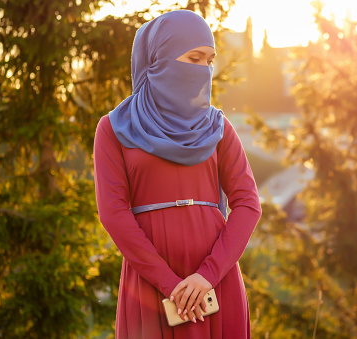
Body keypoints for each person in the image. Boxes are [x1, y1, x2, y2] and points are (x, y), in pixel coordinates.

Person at [93, 9, 262, 338]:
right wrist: (171, 285)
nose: (204, 70)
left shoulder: (219, 127)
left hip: (215, 283)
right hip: (150, 286)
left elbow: (248, 204)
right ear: (160, 59)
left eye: (209, 61)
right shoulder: (113, 129)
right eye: (194, 58)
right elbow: (113, 213)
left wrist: (206, 277)